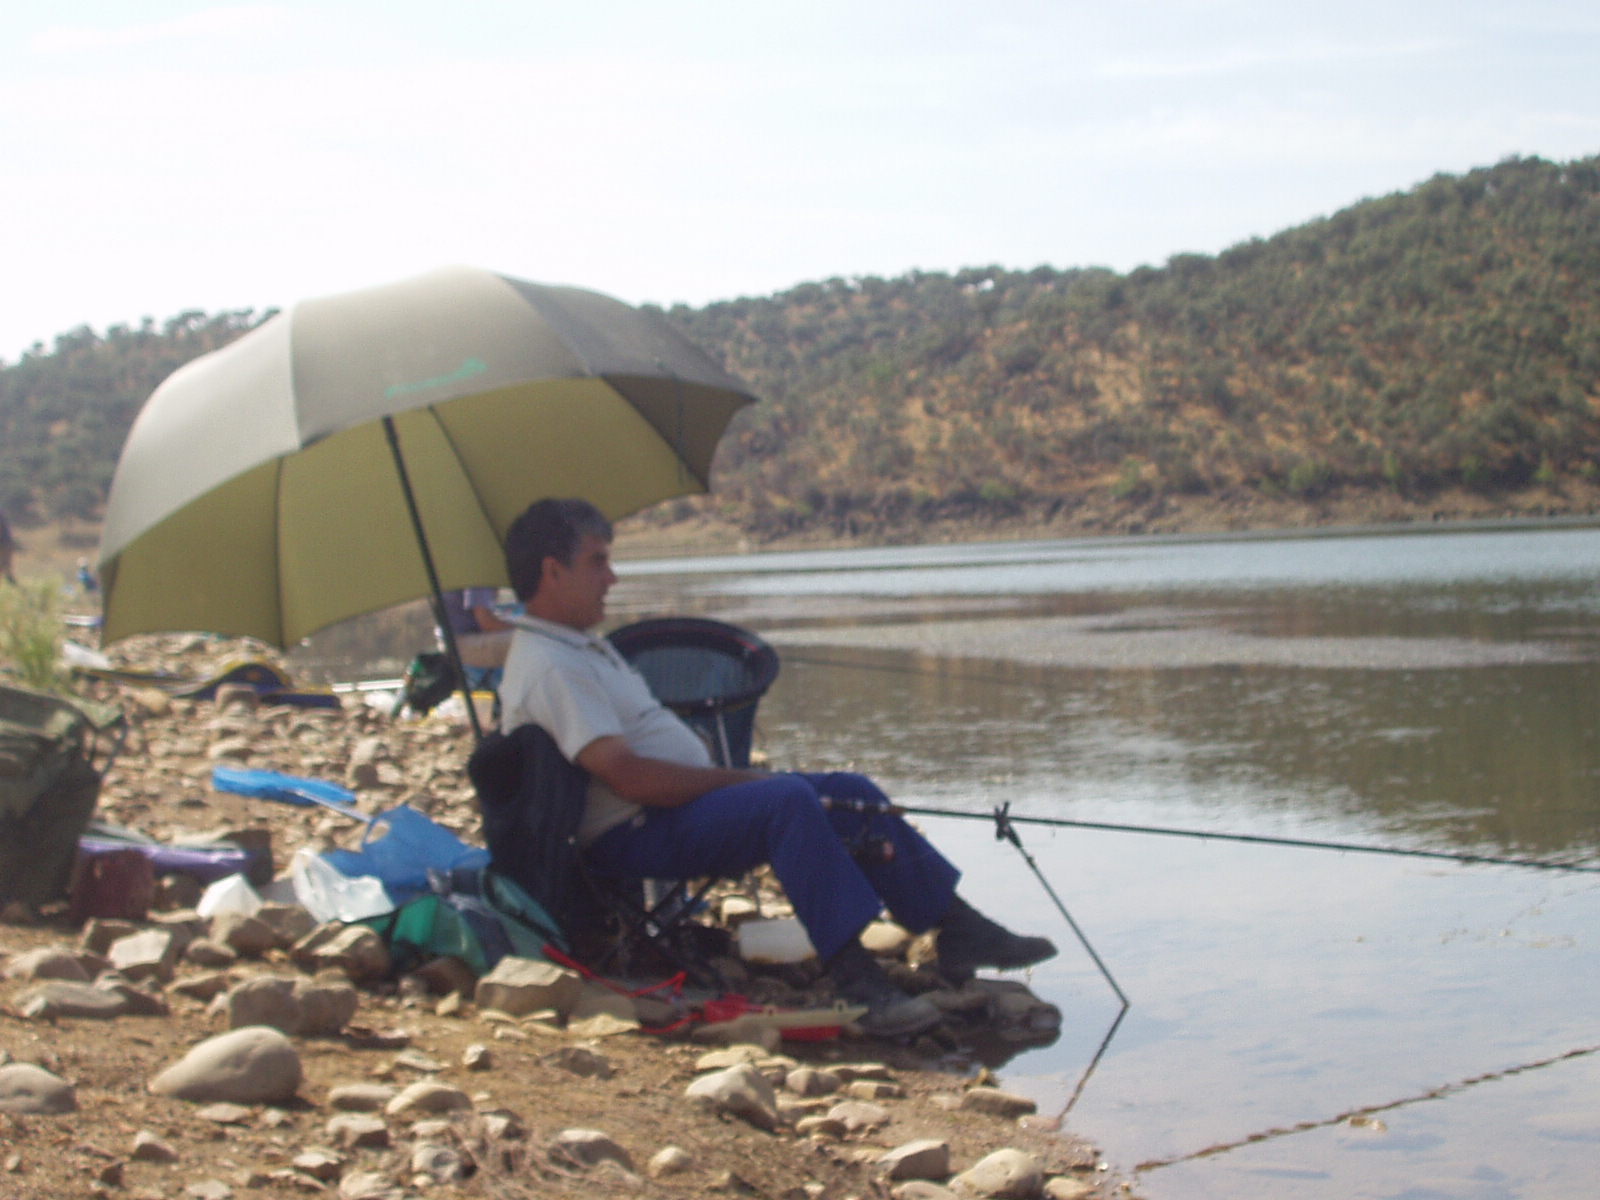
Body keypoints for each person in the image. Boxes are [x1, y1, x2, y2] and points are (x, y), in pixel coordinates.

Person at [497, 497, 1057, 1038]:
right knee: (785, 801)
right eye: (598, 562)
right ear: (552, 571)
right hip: (635, 833)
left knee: (851, 790)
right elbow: (628, 776)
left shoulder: (576, 645)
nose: (612, 578)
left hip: (668, 812)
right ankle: (858, 983)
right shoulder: (550, 664)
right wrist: (738, 779)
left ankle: (957, 928)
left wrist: (731, 780)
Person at [442, 587, 514, 687]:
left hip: (455, 645)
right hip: (465, 645)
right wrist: (523, 628)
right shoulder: (477, 581)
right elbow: (486, 622)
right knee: (525, 640)